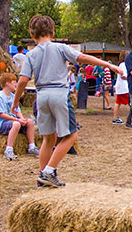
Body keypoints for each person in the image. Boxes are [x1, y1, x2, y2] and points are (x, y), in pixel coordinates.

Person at [12, 15, 121, 187]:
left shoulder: (30, 54)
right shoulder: (60, 48)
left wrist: (15, 102)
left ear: (32, 35)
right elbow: (83, 58)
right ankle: (49, 172)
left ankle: (43, 177)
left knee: (48, 139)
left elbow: (23, 81)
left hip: (41, 97)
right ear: (53, 32)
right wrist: (110, 66)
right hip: (59, 95)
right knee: (71, 136)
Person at [0, 73, 39, 161]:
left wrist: (22, 118)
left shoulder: (13, 96)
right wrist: (17, 119)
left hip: (13, 121)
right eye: (14, 82)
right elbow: (2, 114)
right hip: (0, 123)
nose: (16, 84)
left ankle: (32, 147)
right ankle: (8, 150)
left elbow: (17, 110)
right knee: (16, 124)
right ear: (7, 83)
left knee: (30, 122)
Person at [112, 51, 132, 125]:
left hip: (120, 87)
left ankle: (115, 118)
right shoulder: (124, 65)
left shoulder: (120, 65)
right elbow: (123, 76)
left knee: (118, 102)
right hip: (125, 87)